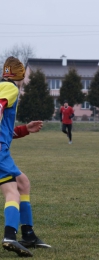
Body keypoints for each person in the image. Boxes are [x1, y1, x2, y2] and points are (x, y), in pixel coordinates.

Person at [0, 57, 51, 257]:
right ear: (20, 75)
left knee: (23, 183)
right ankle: (9, 236)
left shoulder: (5, 86)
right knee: (12, 192)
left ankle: (28, 235)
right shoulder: (10, 88)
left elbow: (4, 129)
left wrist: (24, 130)